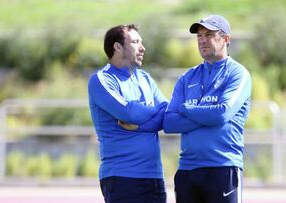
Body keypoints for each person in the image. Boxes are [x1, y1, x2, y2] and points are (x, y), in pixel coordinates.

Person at [163, 14, 252, 203]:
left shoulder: (238, 74)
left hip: (223, 167)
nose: (202, 40)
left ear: (226, 39)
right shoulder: (187, 77)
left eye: (209, 35)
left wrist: (187, 109)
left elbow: (221, 114)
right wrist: (206, 114)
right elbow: (169, 123)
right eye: (199, 36)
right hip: (187, 169)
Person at [88, 24, 168, 203]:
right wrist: (155, 113)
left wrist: (142, 124)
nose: (142, 48)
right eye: (135, 42)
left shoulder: (145, 78)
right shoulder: (101, 79)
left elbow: (168, 115)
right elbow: (129, 111)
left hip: (154, 177)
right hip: (122, 178)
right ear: (117, 47)